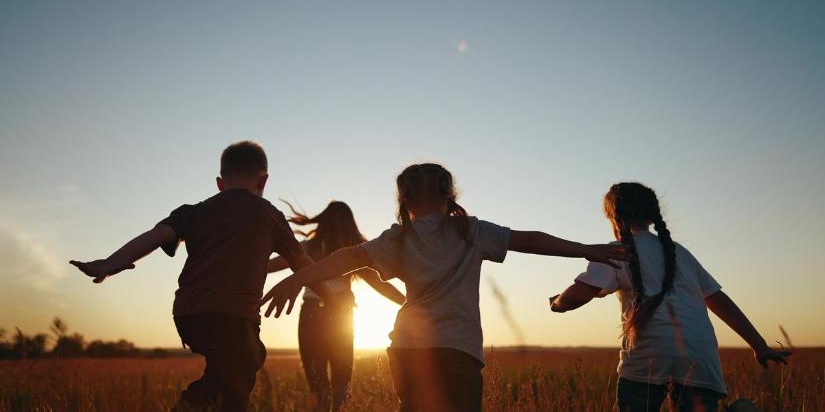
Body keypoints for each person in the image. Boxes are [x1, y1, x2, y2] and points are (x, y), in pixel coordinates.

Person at [260, 163, 628, 412]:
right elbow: (529, 239)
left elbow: (348, 257)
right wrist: (584, 249)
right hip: (459, 350)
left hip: (408, 349)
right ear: (450, 193)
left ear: (403, 198)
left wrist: (296, 278)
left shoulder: (398, 237)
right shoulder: (472, 231)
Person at [69, 141, 341, 412]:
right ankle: (188, 406)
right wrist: (331, 296)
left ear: (220, 183)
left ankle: (199, 402)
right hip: (234, 316)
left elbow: (155, 236)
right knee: (240, 373)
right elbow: (303, 265)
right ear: (264, 181)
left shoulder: (193, 212)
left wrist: (111, 262)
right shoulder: (269, 215)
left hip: (189, 315)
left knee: (233, 367)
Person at [550, 182, 792, 412]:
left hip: (648, 358)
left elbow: (574, 298)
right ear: (652, 215)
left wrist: (557, 303)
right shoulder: (679, 253)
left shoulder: (615, 251)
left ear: (614, 217)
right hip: (700, 358)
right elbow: (719, 301)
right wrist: (759, 346)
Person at [267, 200, 405, 411]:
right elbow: (380, 285)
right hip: (342, 316)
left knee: (317, 386)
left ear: (323, 222)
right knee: (341, 385)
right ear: (350, 225)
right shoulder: (356, 253)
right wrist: (411, 303)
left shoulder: (307, 248)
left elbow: (269, 266)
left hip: (312, 314)